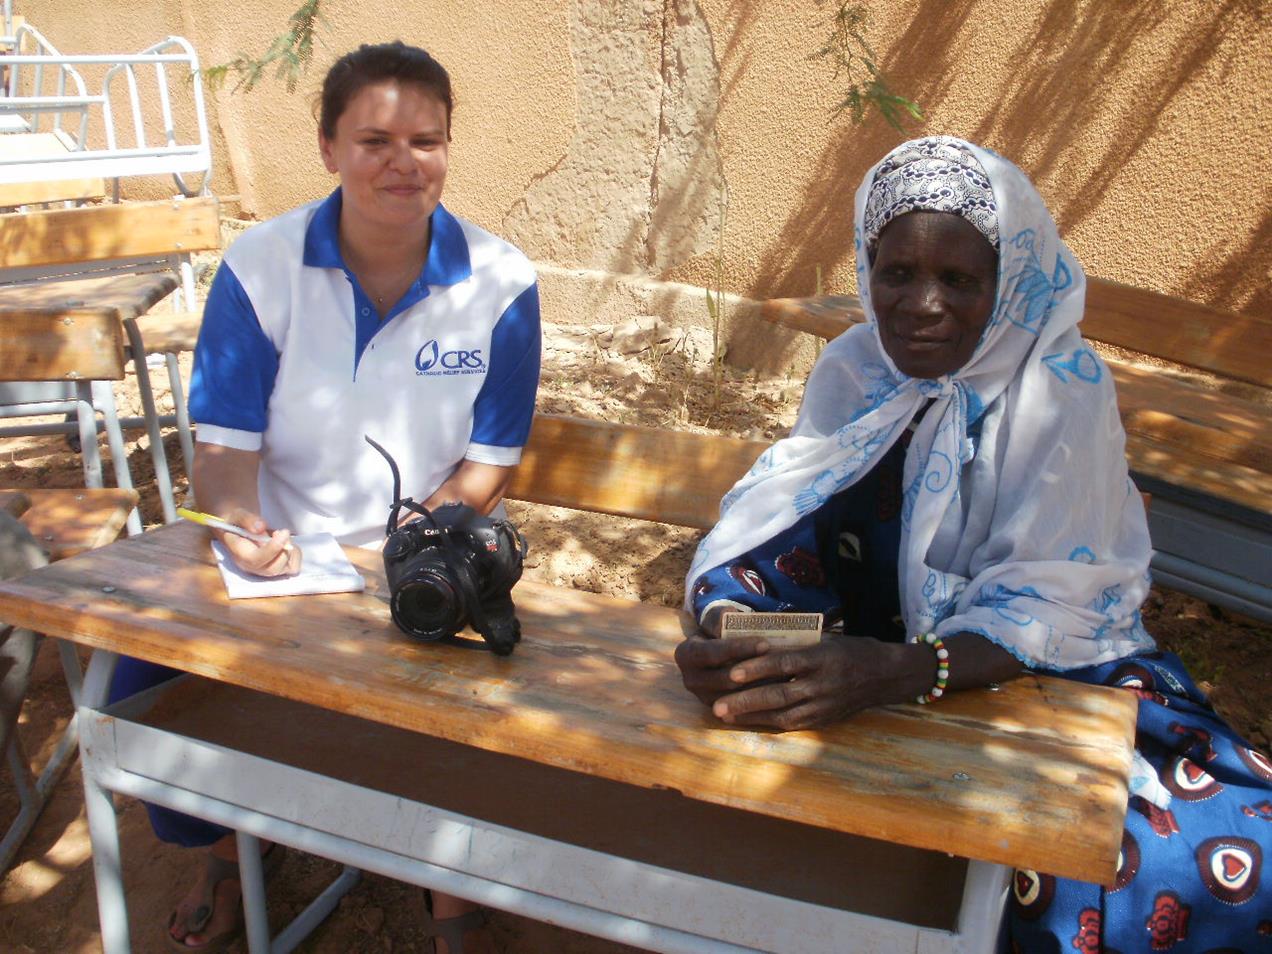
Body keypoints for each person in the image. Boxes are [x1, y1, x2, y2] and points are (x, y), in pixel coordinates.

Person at [675, 136, 1271, 950]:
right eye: (898, 273)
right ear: (866, 269)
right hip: (877, 674)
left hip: (1059, 685)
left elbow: (1053, 611)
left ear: (1009, 281)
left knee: (1100, 872)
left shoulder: (1060, 396)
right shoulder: (858, 371)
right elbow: (784, 534)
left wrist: (902, 671)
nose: (923, 305)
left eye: (959, 279)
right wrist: (740, 638)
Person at [110, 41, 539, 954]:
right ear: (327, 148)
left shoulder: (502, 283)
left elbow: (489, 468)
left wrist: (414, 549)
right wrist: (239, 529)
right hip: (279, 566)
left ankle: (450, 899)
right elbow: (224, 458)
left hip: (422, 559)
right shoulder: (261, 268)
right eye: (374, 138)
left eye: (426, 139)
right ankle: (224, 852)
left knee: (461, 708)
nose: (402, 162)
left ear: (450, 147)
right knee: (134, 696)